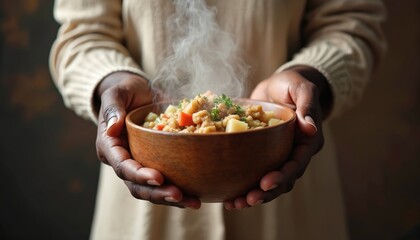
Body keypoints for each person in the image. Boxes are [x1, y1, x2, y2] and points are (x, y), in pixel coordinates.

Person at [49, 0, 386, 239]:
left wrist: (309, 78)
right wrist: (112, 83)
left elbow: (350, 23)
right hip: (143, 200)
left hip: (289, 183)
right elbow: (83, 36)